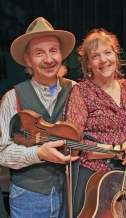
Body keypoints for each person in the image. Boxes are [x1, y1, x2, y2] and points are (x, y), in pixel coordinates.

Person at [0, 17, 79, 218]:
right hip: (28, 197)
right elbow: (2, 152)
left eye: (53, 50)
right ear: (28, 59)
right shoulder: (13, 97)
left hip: (72, 192)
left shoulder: (77, 91)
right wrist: (38, 154)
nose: (48, 59)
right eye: (39, 53)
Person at [64, 28, 126, 217]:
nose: (103, 60)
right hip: (94, 182)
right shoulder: (81, 92)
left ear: (116, 56)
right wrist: (118, 149)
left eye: (107, 53)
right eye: (96, 56)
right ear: (88, 64)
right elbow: (74, 145)